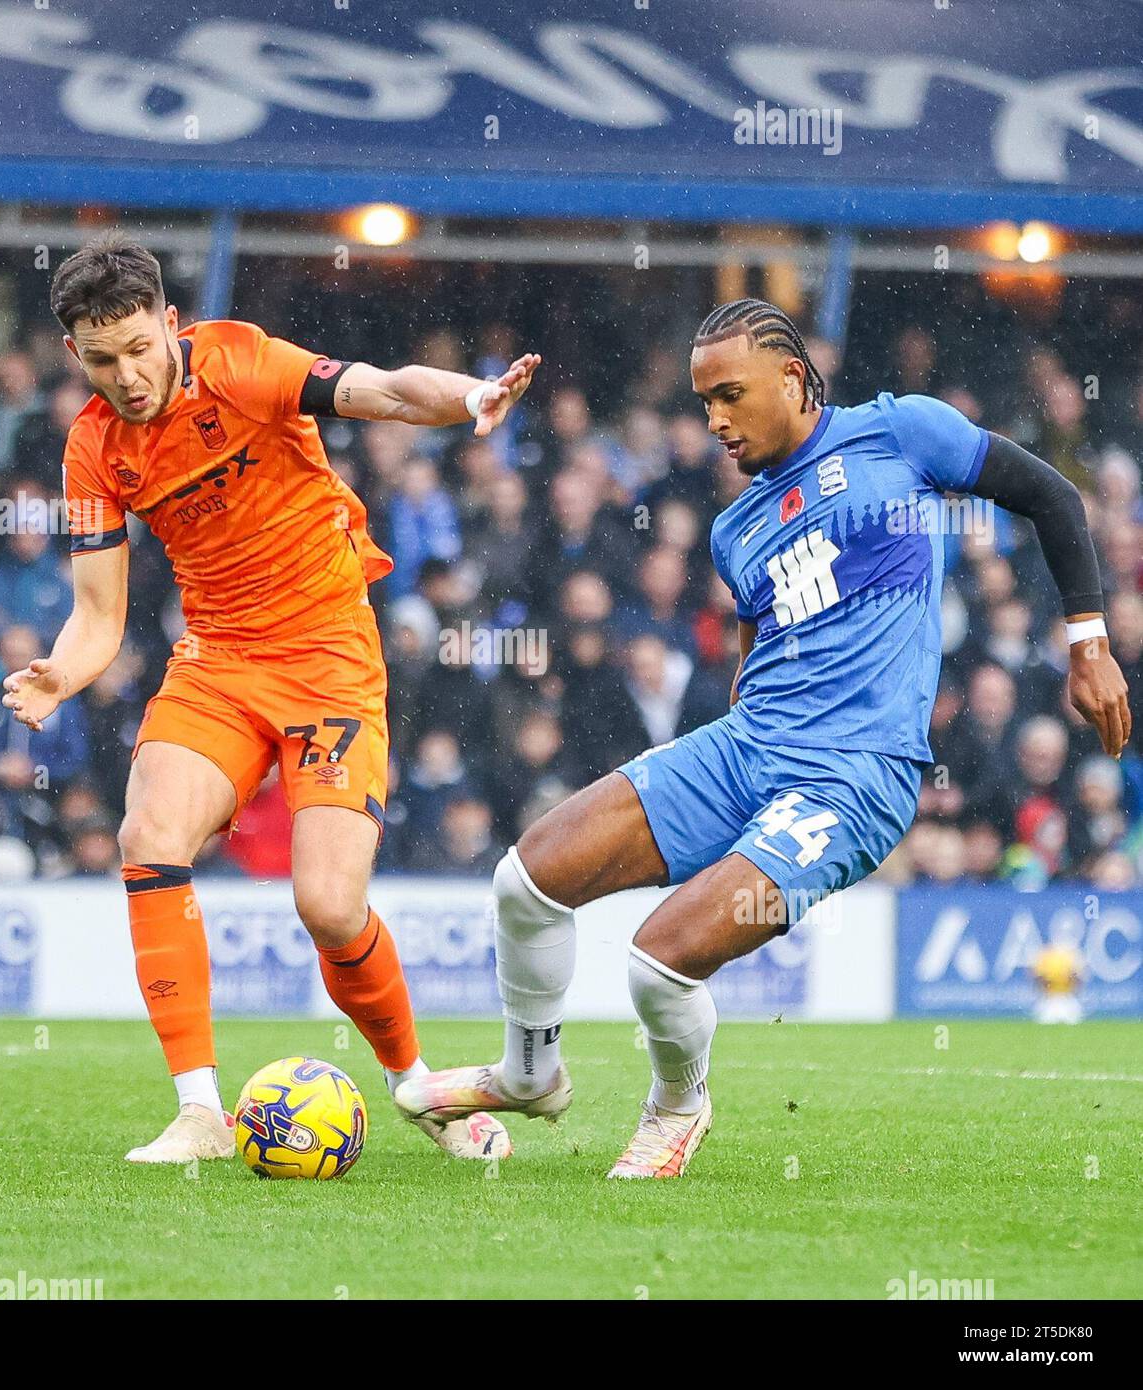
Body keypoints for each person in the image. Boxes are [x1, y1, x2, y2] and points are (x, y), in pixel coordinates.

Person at [396, 297, 1132, 1179]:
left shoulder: (903, 434)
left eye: (730, 396)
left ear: (791, 377)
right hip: (747, 747)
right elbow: (759, 638)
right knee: (525, 881)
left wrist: (1088, 643)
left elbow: (1050, 495)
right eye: (704, 402)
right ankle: (530, 1071)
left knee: (658, 962)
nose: (714, 421)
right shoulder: (734, 526)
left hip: (852, 779)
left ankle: (677, 1106)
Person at [3, 232, 540, 1165]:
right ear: (72, 355)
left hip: (329, 654)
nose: (128, 376)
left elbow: (379, 389)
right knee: (147, 838)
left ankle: (417, 1084)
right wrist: (61, 672)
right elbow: (98, 615)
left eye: (139, 348)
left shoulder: (240, 361)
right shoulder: (92, 448)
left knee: (330, 906)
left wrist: (469, 399)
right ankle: (201, 1114)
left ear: (169, 324)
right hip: (217, 661)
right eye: (101, 359)